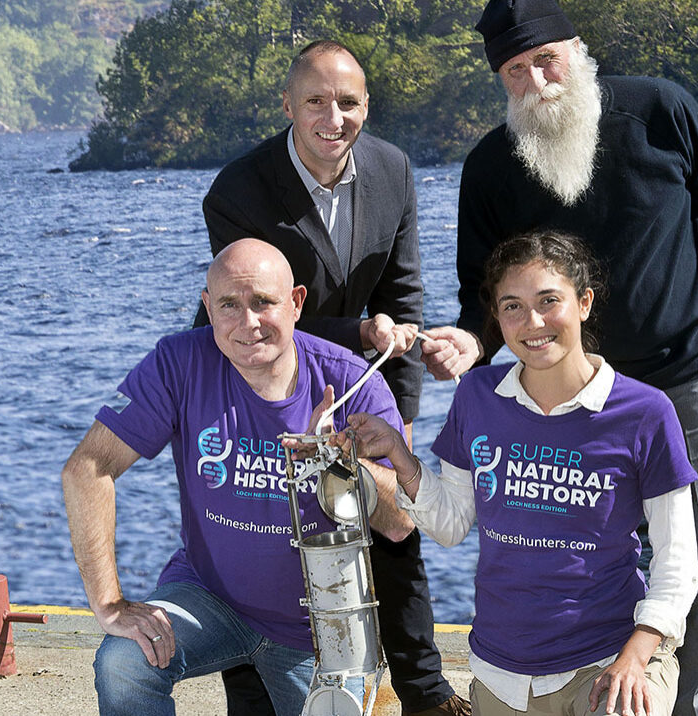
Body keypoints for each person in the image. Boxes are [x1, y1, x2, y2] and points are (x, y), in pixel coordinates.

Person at [419, 4, 698, 715]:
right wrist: (471, 342)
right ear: (501, 82)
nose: (537, 79)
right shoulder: (489, 166)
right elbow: (482, 290)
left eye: (547, 59)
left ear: (577, 49)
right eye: (516, 70)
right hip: (563, 392)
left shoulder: (662, 109)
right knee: (575, 555)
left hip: (687, 370)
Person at [318, 231, 698, 716]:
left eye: (549, 301)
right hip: (501, 670)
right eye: (512, 306)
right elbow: (453, 523)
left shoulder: (645, 413)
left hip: (608, 659)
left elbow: (678, 563)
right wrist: (397, 453)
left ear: (584, 303)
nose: (533, 322)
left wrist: (634, 657)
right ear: (496, 318)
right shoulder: (477, 396)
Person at [199, 41, 466, 716]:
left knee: (390, 516)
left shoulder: (393, 169)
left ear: (366, 107)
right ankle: (256, 700)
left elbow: (402, 295)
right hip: (258, 373)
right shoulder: (236, 191)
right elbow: (263, 315)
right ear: (288, 105)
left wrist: (400, 414)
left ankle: (426, 694)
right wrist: (362, 335)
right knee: (261, 541)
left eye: (348, 103)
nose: (332, 117)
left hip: (365, 374)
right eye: (315, 101)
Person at [61, 239, 417, 716]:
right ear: (208, 308)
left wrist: (343, 465)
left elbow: (401, 523)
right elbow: (87, 469)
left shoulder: (354, 382)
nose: (247, 323)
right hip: (210, 597)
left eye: (263, 303)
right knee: (124, 662)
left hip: (320, 623)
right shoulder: (179, 363)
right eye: (229, 304)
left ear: (295, 303)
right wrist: (108, 604)